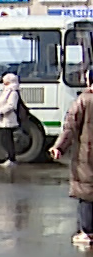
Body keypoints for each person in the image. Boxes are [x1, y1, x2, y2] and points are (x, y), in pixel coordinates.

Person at [51, 80, 93, 248]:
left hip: (87, 153)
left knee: (86, 192)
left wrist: (59, 147)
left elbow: (70, 127)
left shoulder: (83, 100)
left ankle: (87, 232)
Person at [0, 72, 23, 167]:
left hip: (8, 119)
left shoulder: (13, 92)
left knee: (8, 140)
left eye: (5, 81)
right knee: (6, 139)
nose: (3, 83)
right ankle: (9, 158)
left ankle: (11, 159)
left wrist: (1, 112)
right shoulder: (7, 91)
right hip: (4, 119)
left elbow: (11, 105)